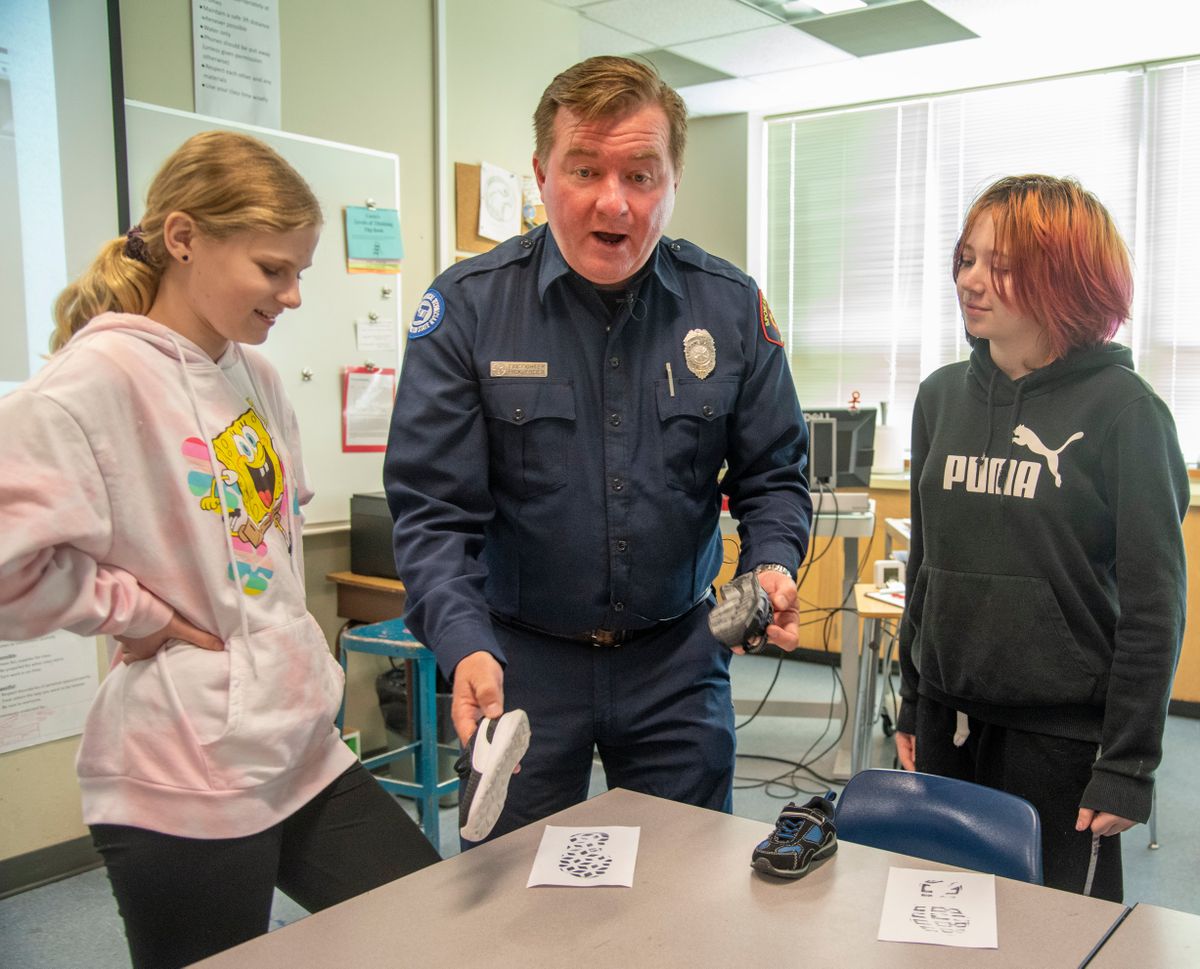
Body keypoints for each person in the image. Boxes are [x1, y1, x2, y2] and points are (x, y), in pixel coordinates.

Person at [0, 131, 439, 969]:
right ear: (183, 237)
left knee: (432, 921)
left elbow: (258, 552)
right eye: (274, 269)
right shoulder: (92, 383)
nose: (294, 295)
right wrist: (137, 613)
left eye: (301, 271)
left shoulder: (256, 375)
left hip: (296, 749)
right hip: (184, 771)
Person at [385, 56, 811, 842]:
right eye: (584, 169)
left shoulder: (730, 307)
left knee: (685, 893)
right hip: (516, 661)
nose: (613, 201)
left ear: (674, 181)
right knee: (511, 900)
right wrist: (462, 642)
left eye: (642, 175)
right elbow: (431, 514)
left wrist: (773, 562)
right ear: (543, 173)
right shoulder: (468, 312)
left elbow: (774, 473)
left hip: (677, 662)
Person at [895, 174, 1189, 902]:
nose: (970, 279)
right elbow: (926, 567)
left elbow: (1156, 607)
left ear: (1067, 276)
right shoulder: (938, 398)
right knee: (941, 924)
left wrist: (1127, 762)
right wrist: (912, 700)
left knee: (1054, 939)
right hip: (948, 724)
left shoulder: (1128, 413)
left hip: (1063, 744)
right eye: (967, 257)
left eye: (1001, 263)